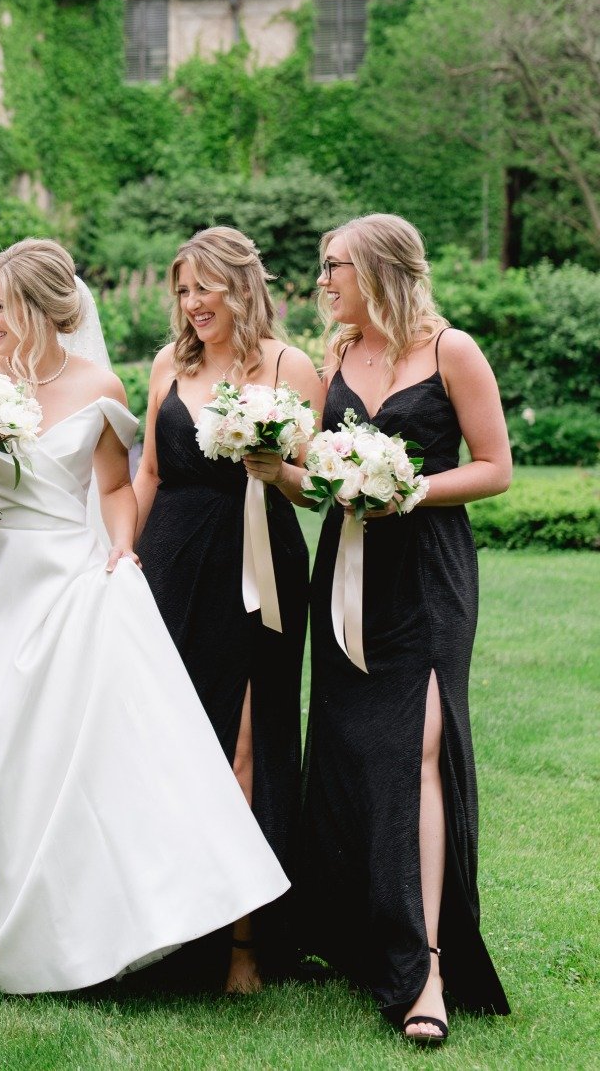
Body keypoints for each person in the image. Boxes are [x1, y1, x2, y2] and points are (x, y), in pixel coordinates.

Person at [0, 237, 288, 994]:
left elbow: (120, 487)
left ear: (40, 307)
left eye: (0, 306)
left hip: (69, 568)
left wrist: (121, 550)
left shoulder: (101, 384)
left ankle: (66, 910)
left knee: (55, 748)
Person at [302, 214, 511, 1045]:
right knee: (354, 750)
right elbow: (317, 473)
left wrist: (409, 490)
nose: (323, 283)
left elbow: (495, 466)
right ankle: (364, 934)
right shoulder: (337, 356)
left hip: (428, 575)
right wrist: (259, 457)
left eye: (333, 267)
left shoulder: (451, 349)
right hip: (349, 571)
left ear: (377, 268)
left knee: (419, 748)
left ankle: (426, 964)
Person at [135, 227, 322, 992]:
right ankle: (169, 924)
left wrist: (276, 469)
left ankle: (243, 937)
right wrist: (126, 556)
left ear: (241, 285)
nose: (192, 303)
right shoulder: (165, 363)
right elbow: (148, 468)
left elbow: (318, 485)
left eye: (204, 286)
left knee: (246, 739)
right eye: (182, 289)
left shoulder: (290, 365)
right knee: (171, 737)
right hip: (172, 562)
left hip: (258, 564)